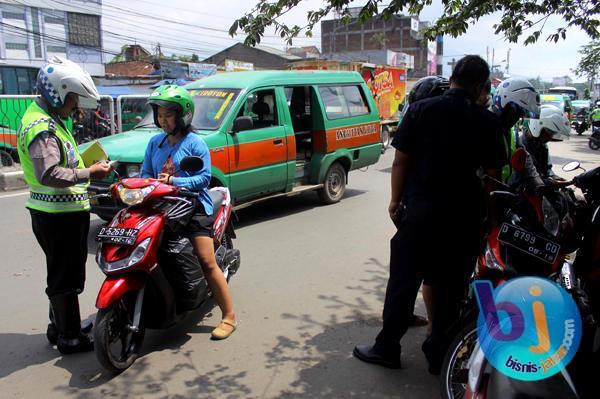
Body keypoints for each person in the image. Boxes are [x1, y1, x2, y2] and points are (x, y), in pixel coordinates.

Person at [353, 55, 506, 373]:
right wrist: (492, 219)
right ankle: (439, 356)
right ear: (481, 85)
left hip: (420, 216)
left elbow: (400, 162)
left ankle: (387, 348)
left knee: (402, 285)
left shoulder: (421, 110)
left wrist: (395, 201)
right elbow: (493, 178)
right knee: (450, 290)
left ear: (452, 78)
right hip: (464, 222)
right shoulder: (488, 122)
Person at [17, 56, 112, 354]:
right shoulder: (42, 127)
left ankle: (59, 326)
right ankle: (70, 336)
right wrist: (90, 173)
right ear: (59, 92)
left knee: (61, 272)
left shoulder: (48, 118)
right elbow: (49, 173)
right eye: (73, 101)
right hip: (57, 215)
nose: (74, 108)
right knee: (66, 276)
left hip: (57, 213)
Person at [140, 85, 237, 340]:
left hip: (194, 205)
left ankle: (229, 316)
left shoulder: (195, 143)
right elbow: (145, 175)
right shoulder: (155, 143)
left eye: (168, 114)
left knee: (207, 261)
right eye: (159, 115)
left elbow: (204, 179)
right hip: (163, 206)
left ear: (183, 115)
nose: (163, 120)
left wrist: (174, 183)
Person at [519, 104, 570, 181]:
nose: (550, 138)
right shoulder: (521, 146)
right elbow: (526, 177)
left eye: (552, 134)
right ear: (538, 127)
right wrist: (548, 182)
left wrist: (553, 176)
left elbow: (547, 168)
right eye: (549, 133)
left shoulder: (542, 145)